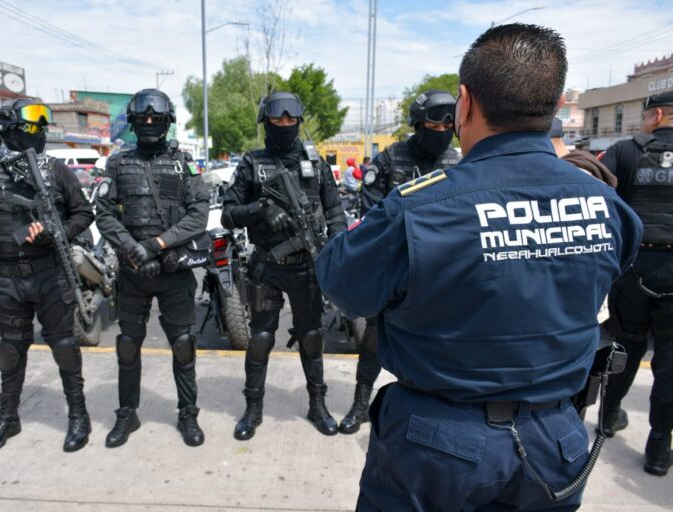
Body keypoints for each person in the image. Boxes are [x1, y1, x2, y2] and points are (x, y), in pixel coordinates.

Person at [316, 24, 643, 510]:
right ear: (554, 108)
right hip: (557, 442)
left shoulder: (421, 208)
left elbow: (343, 284)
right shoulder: (606, 203)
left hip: (439, 448)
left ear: (464, 104)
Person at [0, 99, 95, 453]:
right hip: (4, 276)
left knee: (63, 345)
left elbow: (83, 214)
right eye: (32, 125)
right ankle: (8, 417)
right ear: (10, 128)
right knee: (11, 348)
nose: (39, 132)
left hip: (49, 271)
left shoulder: (56, 170)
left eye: (42, 126)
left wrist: (53, 229)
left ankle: (78, 414)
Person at [221, 91, 347, 440]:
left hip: (307, 267)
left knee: (311, 337)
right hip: (267, 267)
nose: (285, 125)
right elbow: (228, 214)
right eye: (278, 119)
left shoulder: (315, 163)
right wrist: (261, 210)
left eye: (291, 120)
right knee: (260, 338)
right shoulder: (252, 163)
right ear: (267, 121)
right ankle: (252, 408)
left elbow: (335, 210)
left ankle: (317, 405)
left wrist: (336, 245)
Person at [338, 89, 460, 435]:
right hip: (397, 268)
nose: (441, 130)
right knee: (374, 341)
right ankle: (361, 404)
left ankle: (429, 411)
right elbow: (371, 212)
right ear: (417, 124)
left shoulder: (458, 162)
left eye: (447, 124)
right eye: (433, 123)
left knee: (437, 344)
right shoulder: (391, 159)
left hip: (442, 273)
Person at [95, 89, 209, 448]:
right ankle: (127, 414)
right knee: (128, 345)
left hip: (173, 271)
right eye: (142, 119)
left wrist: (155, 246)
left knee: (183, 345)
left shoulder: (184, 163)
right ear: (132, 122)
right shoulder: (116, 163)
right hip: (133, 273)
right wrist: (132, 250)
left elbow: (199, 216)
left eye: (154, 119)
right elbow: (103, 214)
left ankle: (188, 413)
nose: (147, 124)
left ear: (166, 122)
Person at [597, 90, 673, 476]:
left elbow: (597, 192)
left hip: (634, 266)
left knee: (626, 345)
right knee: (671, 363)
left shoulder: (626, 151)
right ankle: (659, 447)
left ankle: (609, 416)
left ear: (656, 115)